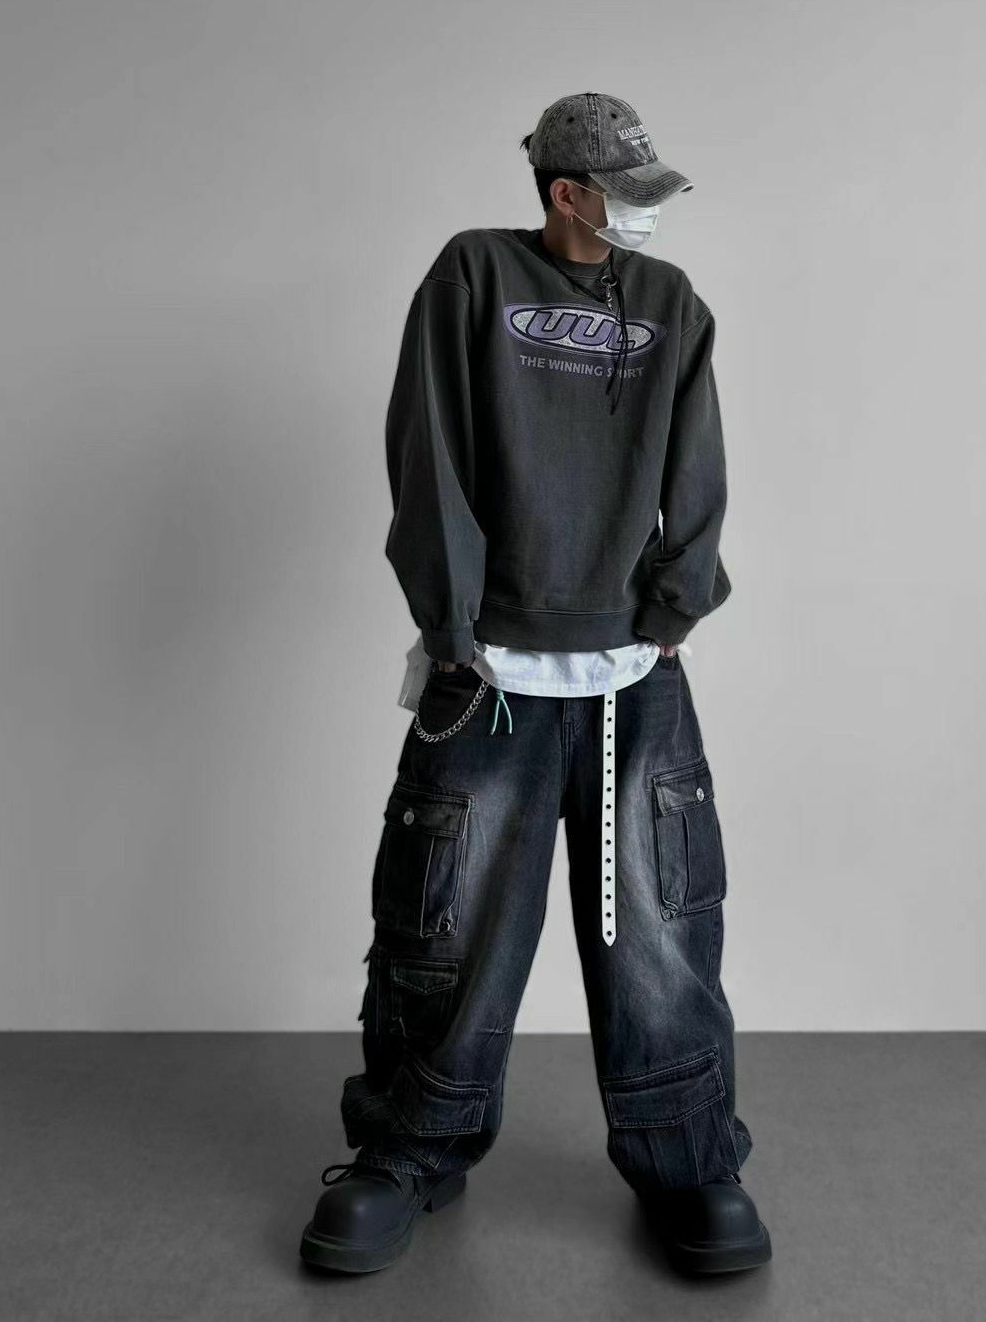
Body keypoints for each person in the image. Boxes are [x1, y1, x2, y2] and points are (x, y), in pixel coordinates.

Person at [299, 92, 771, 1278]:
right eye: (628, 193)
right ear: (567, 193)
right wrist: (453, 625)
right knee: (444, 926)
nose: (648, 214)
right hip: (490, 682)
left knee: (662, 936)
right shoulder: (473, 277)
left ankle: (689, 1159)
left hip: (633, 683)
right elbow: (429, 448)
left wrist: (673, 609)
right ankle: (409, 1150)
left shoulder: (671, 305)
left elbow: (699, 465)